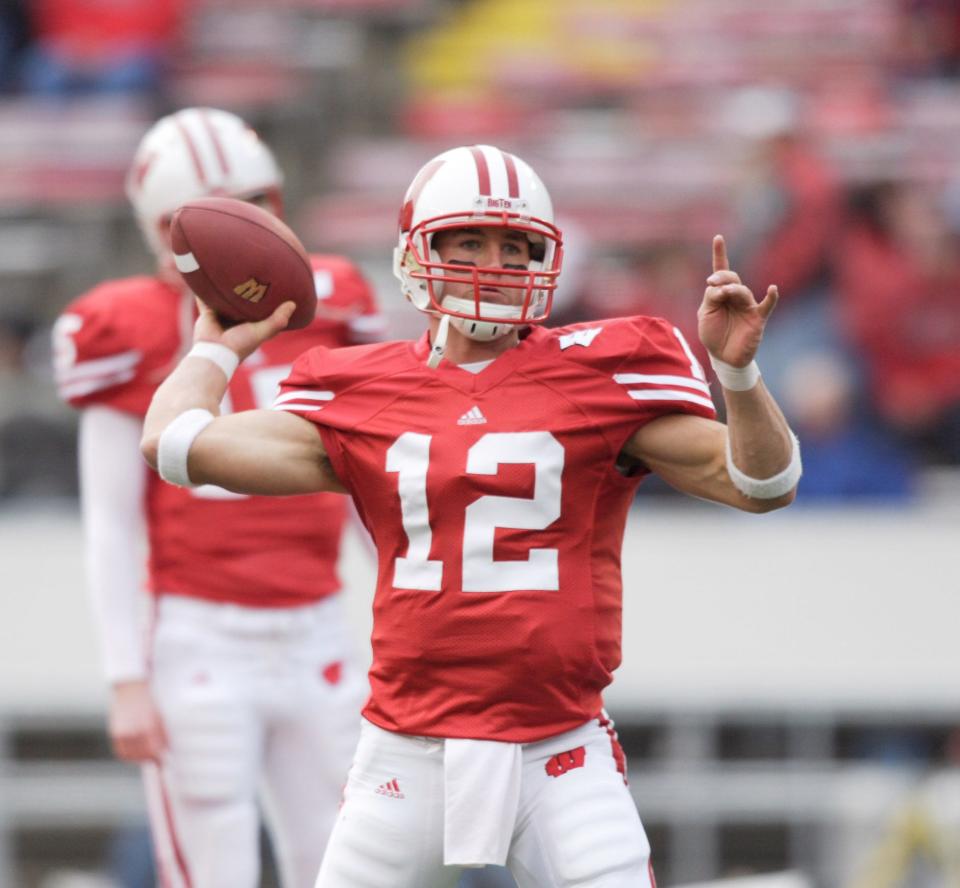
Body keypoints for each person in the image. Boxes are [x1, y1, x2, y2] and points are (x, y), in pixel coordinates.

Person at [139, 144, 801, 888]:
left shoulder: (599, 375)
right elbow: (173, 443)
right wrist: (215, 348)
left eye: (516, 247)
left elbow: (762, 482)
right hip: (404, 753)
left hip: (559, 751)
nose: (496, 262)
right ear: (419, 253)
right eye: (471, 241)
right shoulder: (360, 391)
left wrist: (737, 375)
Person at [51, 107, 378, 888]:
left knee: (340, 860)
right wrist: (125, 679)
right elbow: (111, 523)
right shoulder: (123, 326)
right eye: (212, 218)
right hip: (199, 637)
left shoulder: (330, 299)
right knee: (212, 864)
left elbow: (377, 480)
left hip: (318, 626)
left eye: (258, 206)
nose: (247, 231)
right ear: (163, 231)